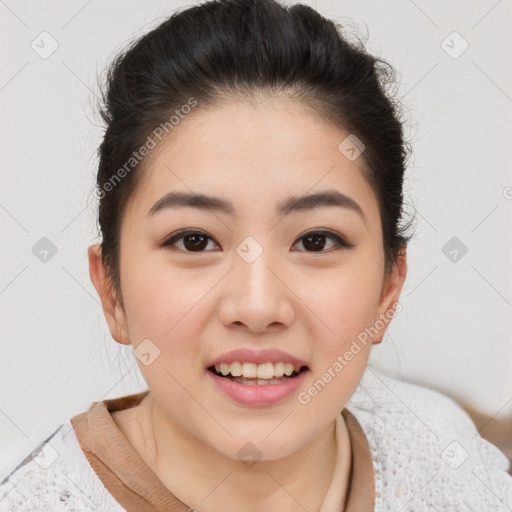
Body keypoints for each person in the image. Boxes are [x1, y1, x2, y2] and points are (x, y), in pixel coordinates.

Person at [1, 0, 511, 510]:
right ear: (111, 291)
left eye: (316, 240)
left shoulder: (452, 465)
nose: (258, 307)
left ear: (388, 289)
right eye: (194, 240)